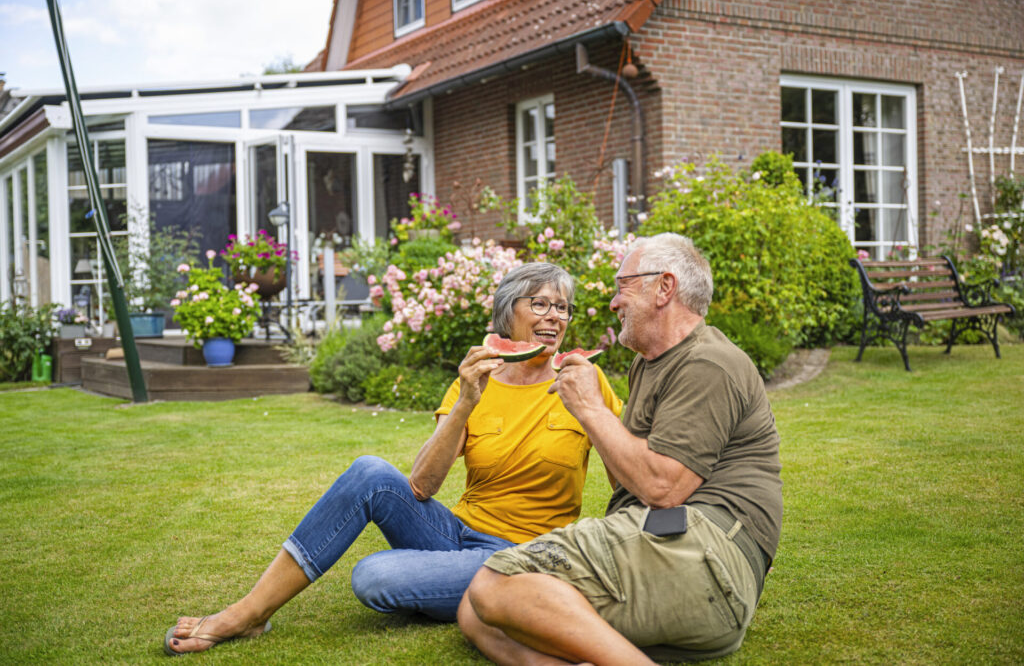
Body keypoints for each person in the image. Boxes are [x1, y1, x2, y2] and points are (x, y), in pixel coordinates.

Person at [163, 262, 622, 655]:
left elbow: (625, 469)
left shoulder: (584, 379)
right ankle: (249, 612)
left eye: (562, 307)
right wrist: (466, 401)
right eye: (539, 304)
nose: (554, 316)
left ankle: (463, 587)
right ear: (509, 315)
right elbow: (422, 485)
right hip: (456, 531)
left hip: (519, 555)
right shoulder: (478, 379)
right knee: (370, 471)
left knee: (374, 577)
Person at [458, 233, 783, 664]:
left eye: (623, 285)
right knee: (474, 613)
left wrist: (590, 409)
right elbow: (629, 478)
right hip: (667, 546)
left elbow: (663, 488)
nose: (613, 302)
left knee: (492, 585)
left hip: (706, 560)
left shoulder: (708, 363)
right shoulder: (650, 363)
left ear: (664, 287)